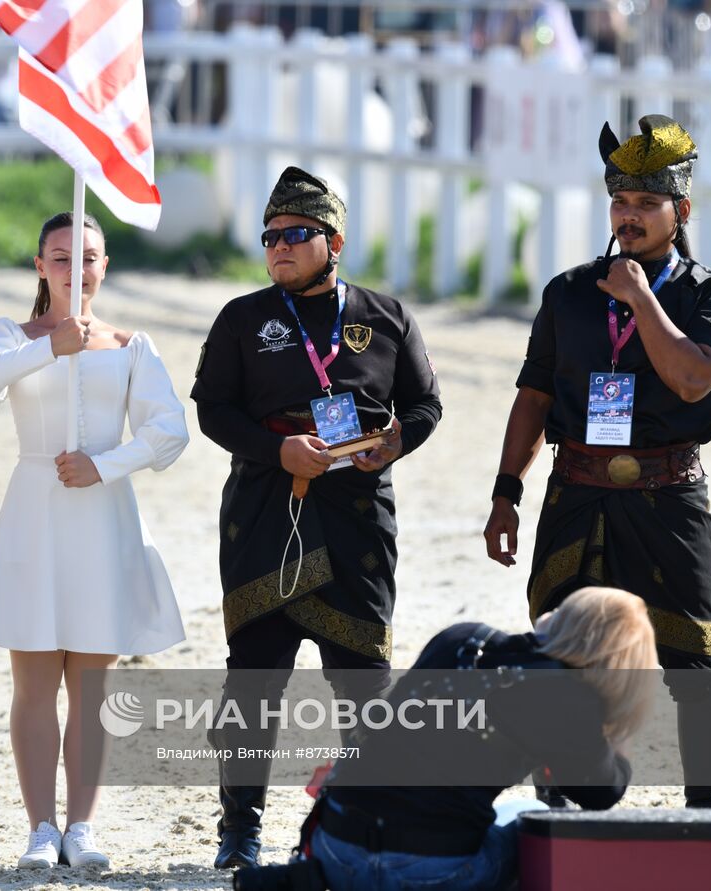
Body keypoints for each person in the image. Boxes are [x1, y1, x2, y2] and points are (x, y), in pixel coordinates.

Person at [483, 115, 711, 809]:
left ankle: (708, 815)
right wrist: (506, 493)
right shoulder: (568, 293)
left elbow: (693, 378)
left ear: (680, 211)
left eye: (645, 205)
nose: (627, 218)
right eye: (619, 203)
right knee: (559, 657)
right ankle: (562, 804)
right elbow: (534, 396)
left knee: (697, 665)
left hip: (669, 497)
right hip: (576, 494)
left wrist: (640, 297)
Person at [190, 166, 442, 868]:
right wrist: (278, 449)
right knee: (253, 679)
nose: (279, 247)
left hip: (357, 513)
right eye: (269, 236)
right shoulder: (243, 318)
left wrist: (393, 442)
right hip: (267, 509)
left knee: (363, 680)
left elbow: (425, 405)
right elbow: (213, 409)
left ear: (334, 240)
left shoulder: (386, 315)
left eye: (295, 235)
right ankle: (239, 828)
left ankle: (369, 821)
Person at [0, 212, 188, 870]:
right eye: (60, 257)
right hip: (34, 514)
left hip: (104, 515)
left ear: (104, 266)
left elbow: (169, 432)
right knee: (33, 684)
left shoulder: (130, 344)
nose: (74, 269)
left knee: (92, 686)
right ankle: (40, 826)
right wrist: (48, 348)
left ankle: (81, 825)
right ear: (39, 265)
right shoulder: (12, 335)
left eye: (87, 257)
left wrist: (105, 463)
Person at [236, 586, 657, 891]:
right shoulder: (570, 699)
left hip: (333, 851)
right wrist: (616, 732)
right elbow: (602, 793)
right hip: (431, 872)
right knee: (534, 812)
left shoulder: (461, 639)